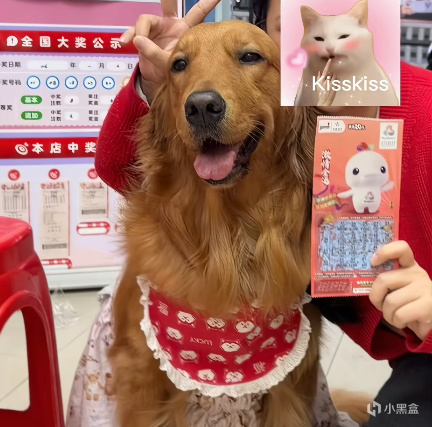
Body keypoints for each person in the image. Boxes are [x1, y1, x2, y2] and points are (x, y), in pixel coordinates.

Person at [93, 0, 432, 425]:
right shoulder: (294, 129)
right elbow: (121, 167)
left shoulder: (417, 111)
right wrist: (157, 78)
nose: (324, 42)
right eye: (294, 26)